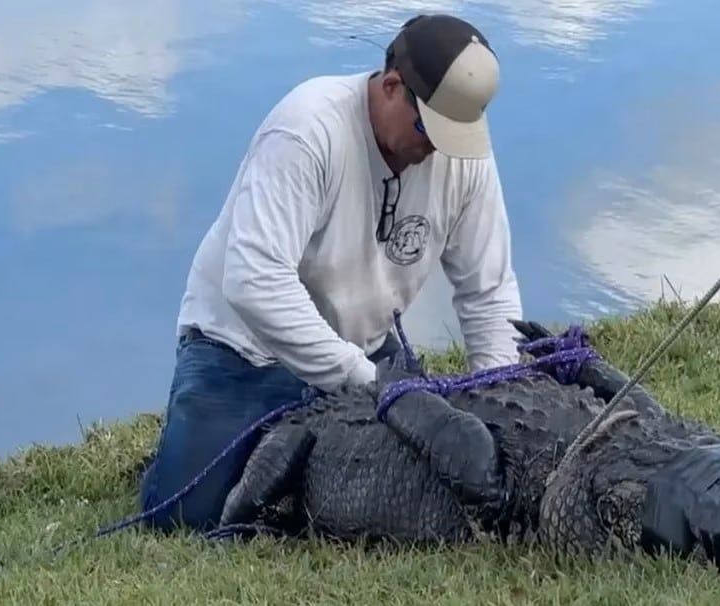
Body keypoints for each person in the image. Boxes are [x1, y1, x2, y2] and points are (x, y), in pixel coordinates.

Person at [139, 13, 524, 532]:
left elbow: (489, 293)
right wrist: (362, 380)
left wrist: (495, 396)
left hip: (367, 353)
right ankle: (193, 446)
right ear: (391, 87)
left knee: (430, 497)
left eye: (452, 138)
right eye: (427, 131)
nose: (436, 149)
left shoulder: (461, 154)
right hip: (245, 352)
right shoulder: (306, 130)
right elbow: (255, 279)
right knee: (186, 519)